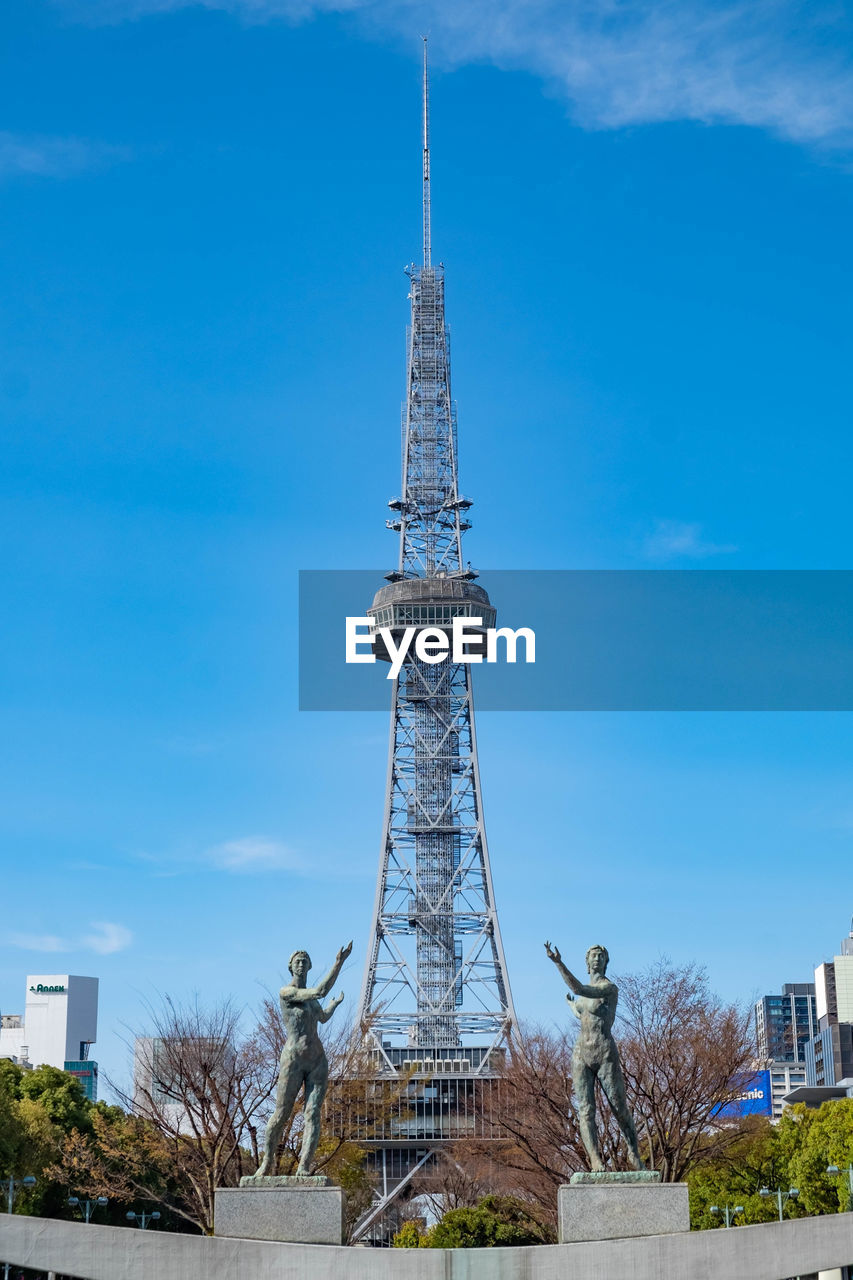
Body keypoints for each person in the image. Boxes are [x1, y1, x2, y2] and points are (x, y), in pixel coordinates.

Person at [544, 940, 644, 1172]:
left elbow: (579, 989)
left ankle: (633, 1151)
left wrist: (558, 964)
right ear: (587, 963)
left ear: (606, 963)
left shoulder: (609, 988)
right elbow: (579, 1008)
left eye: (601, 956)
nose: (597, 959)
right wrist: (570, 1004)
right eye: (593, 956)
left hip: (604, 1051)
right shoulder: (582, 1000)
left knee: (618, 1106)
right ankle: (595, 1160)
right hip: (581, 1053)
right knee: (586, 1109)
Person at [255, 940, 352, 1177]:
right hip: (294, 1059)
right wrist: (339, 963)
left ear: (309, 967)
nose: (301, 964)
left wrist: (334, 1005)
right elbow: (319, 990)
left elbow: (323, 1017)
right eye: (297, 961)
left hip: (317, 1060)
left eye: (304, 962)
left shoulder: (312, 1001)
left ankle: (304, 1166)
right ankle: (266, 1163)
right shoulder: (287, 992)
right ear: (291, 967)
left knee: (313, 1113)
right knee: (281, 1113)